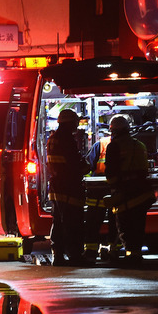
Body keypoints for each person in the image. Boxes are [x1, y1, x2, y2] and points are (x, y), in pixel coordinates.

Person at [104, 115, 156, 264]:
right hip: (143, 194)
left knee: (125, 227)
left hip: (126, 195)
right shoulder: (139, 144)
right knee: (138, 226)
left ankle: (131, 257)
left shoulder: (114, 146)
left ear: (113, 131)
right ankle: (136, 254)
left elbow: (111, 174)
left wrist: (114, 188)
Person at [46, 108, 90, 266]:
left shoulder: (53, 138)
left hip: (57, 187)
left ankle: (57, 254)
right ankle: (75, 256)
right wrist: (85, 167)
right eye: (75, 122)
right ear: (69, 122)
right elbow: (74, 164)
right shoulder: (66, 139)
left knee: (58, 222)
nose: (77, 126)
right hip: (69, 187)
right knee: (73, 223)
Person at [83, 133, 117, 262]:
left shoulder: (101, 144)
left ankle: (91, 250)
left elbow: (88, 165)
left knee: (93, 220)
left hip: (98, 188)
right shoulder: (133, 144)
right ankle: (115, 249)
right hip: (119, 188)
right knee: (118, 220)